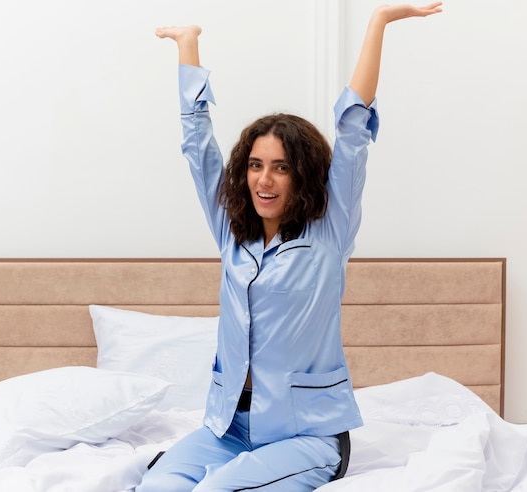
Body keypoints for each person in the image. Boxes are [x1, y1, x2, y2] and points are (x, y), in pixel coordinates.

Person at [139, 4, 442, 491]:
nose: (265, 178)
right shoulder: (231, 232)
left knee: (217, 490)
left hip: (308, 433)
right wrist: (187, 44)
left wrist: (378, 22)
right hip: (231, 427)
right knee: (157, 487)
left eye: (281, 166)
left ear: (303, 174)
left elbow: (352, 131)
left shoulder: (330, 230)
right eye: (256, 164)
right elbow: (198, 145)